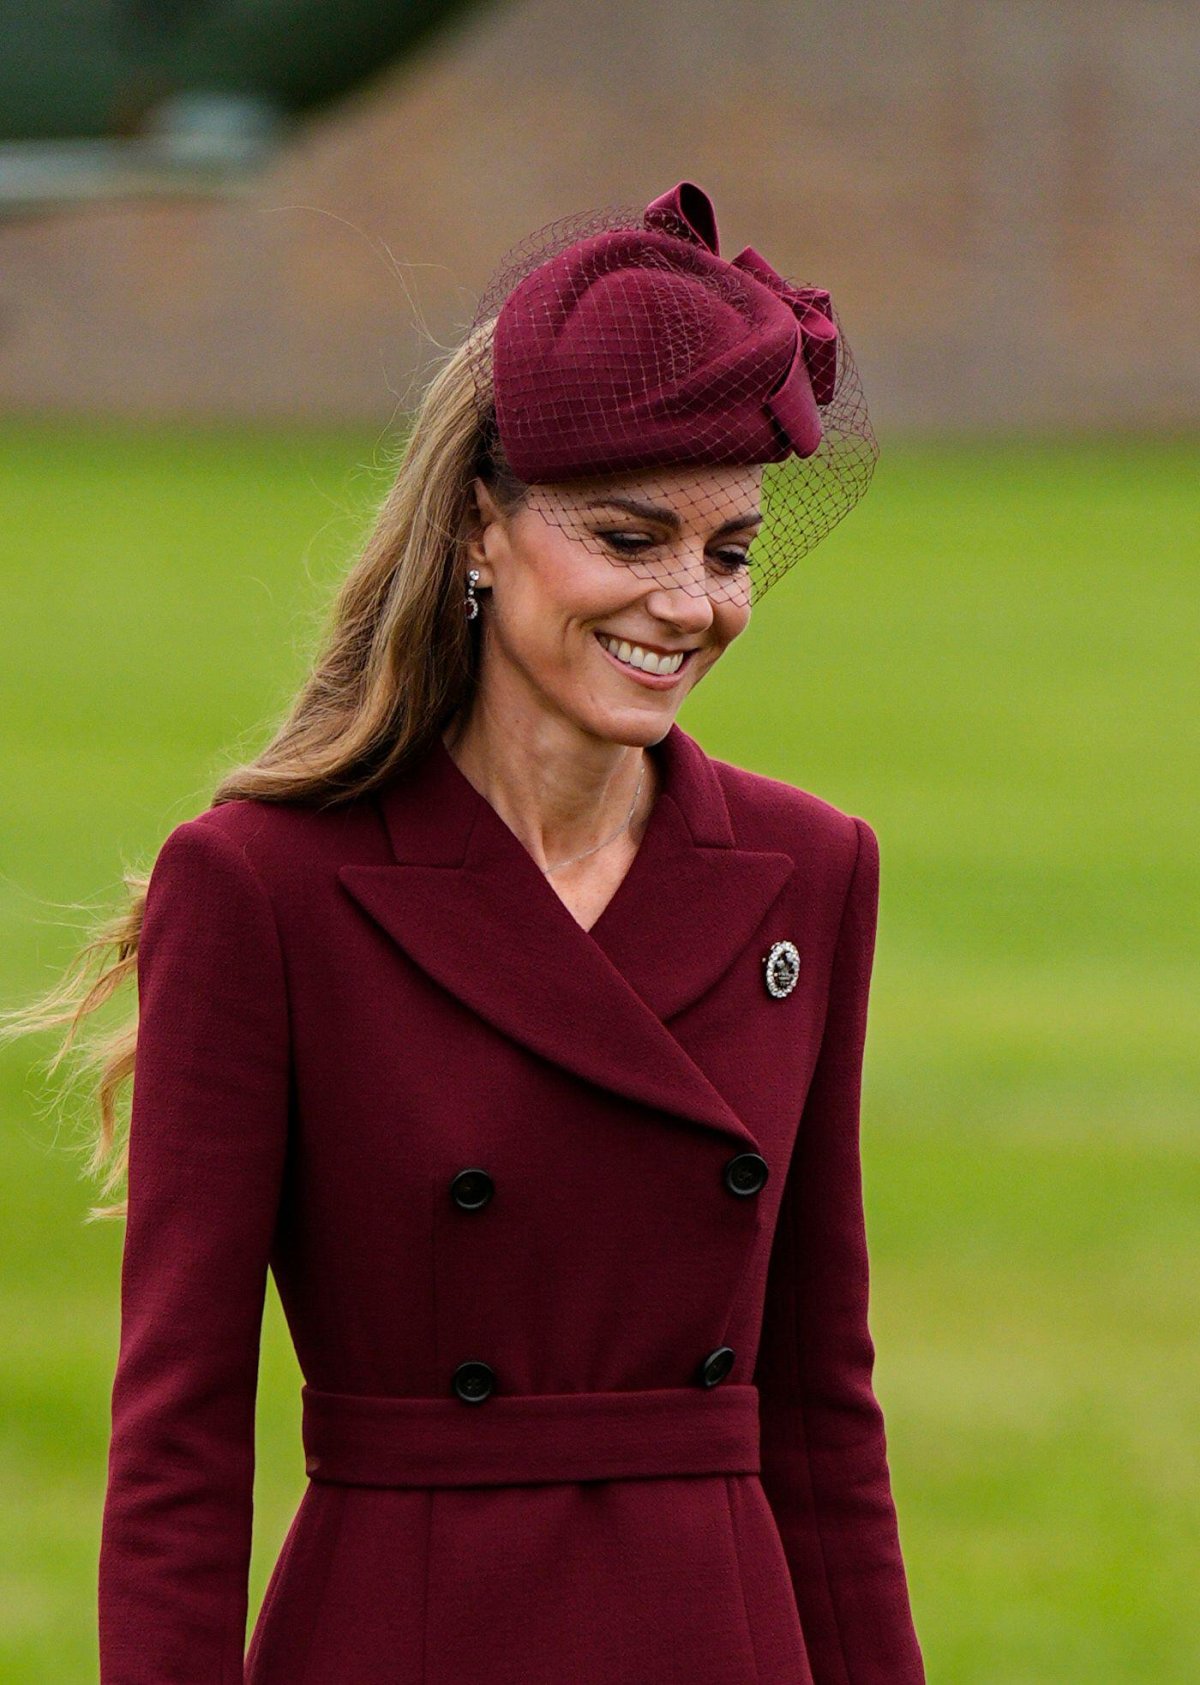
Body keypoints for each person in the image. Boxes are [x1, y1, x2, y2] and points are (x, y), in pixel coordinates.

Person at [4, 179, 926, 1682]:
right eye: (631, 535)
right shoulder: (261, 888)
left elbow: (823, 1407)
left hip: (719, 1634)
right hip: (407, 1632)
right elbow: (177, 1432)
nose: (689, 603)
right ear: (481, 529)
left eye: (731, 549)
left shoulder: (811, 870)